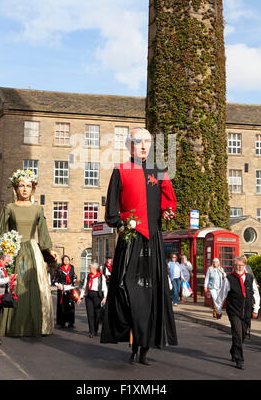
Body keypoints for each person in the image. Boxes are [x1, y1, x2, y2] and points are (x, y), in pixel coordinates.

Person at [100, 127, 178, 365]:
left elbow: (169, 201)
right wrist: (124, 224)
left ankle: (144, 347)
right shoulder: (121, 171)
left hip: (152, 239)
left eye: (147, 141)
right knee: (125, 288)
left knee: (153, 292)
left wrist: (168, 212)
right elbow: (111, 212)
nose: (143, 145)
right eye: (137, 141)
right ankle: (130, 334)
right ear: (128, 145)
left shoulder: (159, 170)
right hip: (130, 238)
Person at [0, 169, 57, 337]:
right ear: (15, 188)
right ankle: (4, 324)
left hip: (32, 252)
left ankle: (32, 325)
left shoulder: (37, 209)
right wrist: (6, 245)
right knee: (9, 285)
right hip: (12, 252)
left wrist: (49, 250)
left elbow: (43, 233)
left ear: (33, 188)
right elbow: (0, 232)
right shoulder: (9, 208)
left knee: (32, 286)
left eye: (28, 186)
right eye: (21, 186)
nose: (25, 189)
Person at [214, 256, 260, 370]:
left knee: (243, 335)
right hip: (234, 311)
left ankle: (234, 350)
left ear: (245, 266)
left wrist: (256, 309)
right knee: (237, 334)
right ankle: (239, 360)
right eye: (237, 265)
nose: (239, 267)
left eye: (241, 265)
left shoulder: (250, 278)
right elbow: (221, 295)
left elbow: (256, 294)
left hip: (247, 312)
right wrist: (218, 310)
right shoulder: (229, 278)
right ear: (234, 266)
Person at [77, 262, 107, 338]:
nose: (89, 269)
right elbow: (84, 288)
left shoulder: (101, 277)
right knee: (90, 314)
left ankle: (96, 330)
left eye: (90, 268)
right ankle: (91, 331)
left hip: (98, 296)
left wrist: (105, 298)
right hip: (89, 296)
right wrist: (80, 298)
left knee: (97, 315)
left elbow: (105, 288)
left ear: (94, 268)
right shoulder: (88, 276)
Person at [54, 255, 77, 329]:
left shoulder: (72, 268)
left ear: (69, 260)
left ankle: (71, 322)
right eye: (64, 260)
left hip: (70, 288)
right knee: (62, 306)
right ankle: (62, 322)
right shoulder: (59, 269)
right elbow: (55, 279)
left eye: (67, 260)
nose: (66, 261)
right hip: (62, 288)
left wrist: (74, 280)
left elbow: (74, 276)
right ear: (62, 261)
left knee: (70, 305)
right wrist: (58, 285)